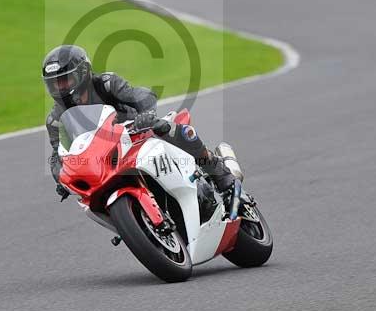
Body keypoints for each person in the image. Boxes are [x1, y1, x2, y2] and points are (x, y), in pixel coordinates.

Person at [42, 44, 236, 201]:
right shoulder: (55, 119)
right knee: (89, 199)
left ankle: (218, 171)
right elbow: (58, 153)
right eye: (55, 83)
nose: (61, 87)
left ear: (83, 72)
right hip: (105, 158)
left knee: (174, 128)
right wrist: (61, 177)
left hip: (137, 133)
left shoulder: (106, 84)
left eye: (65, 80)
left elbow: (142, 96)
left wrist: (145, 115)